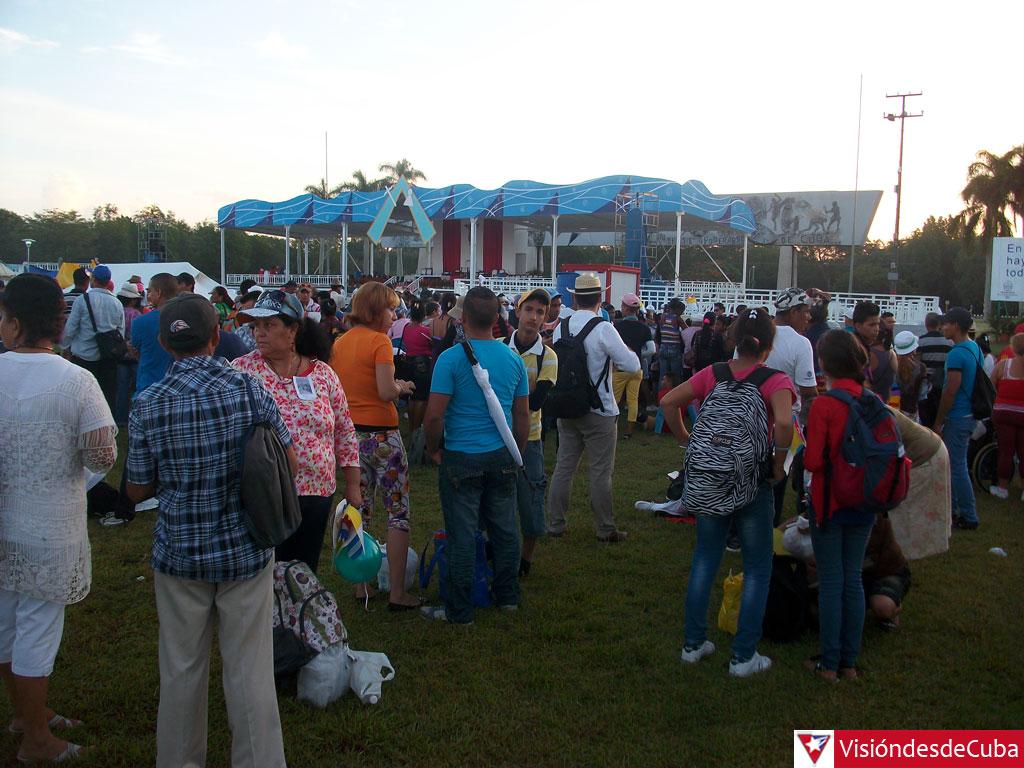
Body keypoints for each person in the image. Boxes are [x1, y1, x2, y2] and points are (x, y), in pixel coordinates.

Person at [125, 294, 289, 768]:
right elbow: (287, 458)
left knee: (180, 670)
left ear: (163, 341)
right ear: (217, 337)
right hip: (246, 548)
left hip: (180, 552)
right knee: (250, 671)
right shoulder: (250, 389)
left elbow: (136, 488)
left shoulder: (148, 403)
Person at [0, 274, 117, 763]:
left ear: (14, 323)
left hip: (7, 522)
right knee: (37, 630)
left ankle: (29, 715)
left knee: (7, 624)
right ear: (57, 323)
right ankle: (36, 740)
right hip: (50, 526)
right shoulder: (76, 381)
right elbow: (102, 454)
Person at [662, 308, 794, 677]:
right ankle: (743, 656)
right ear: (768, 345)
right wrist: (779, 460)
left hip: (708, 481)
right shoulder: (775, 380)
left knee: (705, 558)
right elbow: (783, 422)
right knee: (756, 567)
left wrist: (687, 441)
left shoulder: (714, 373)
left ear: (733, 339)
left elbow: (669, 402)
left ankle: (693, 645)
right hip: (752, 482)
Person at [233, 290, 361, 574]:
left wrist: (353, 484)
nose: (259, 333)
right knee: (265, 570)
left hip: (316, 491)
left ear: (293, 330)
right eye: (256, 326)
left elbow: (344, 430)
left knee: (304, 570)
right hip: (263, 493)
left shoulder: (322, 374)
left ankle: (299, 616)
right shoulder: (240, 373)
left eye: (269, 325)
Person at [422, 287, 529, 623]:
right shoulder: (513, 360)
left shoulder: (450, 359)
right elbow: (522, 415)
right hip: (501, 454)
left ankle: (460, 610)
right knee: (505, 529)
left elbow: (435, 415)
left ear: (462, 319)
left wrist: (431, 448)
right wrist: (517, 452)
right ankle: (507, 596)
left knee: (462, 535)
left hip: (461, 456)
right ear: (498, 319)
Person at [329, 283, 421, 608]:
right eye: (391, 309)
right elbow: (384, 391)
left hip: (352, 438)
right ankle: (397, 592)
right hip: (383, 436)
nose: (395, 315)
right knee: (397, 512)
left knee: (359, 509)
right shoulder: (380, 341)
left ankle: (361, 585)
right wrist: (403, 386)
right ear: (374, 310)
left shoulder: (340, 343)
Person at [802, 330, 878, 681]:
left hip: (829, 502)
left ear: (825, 363)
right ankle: (849, 662)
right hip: (865, 502)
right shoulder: (873, 402)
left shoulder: (825, 405)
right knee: (853, 579)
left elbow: (814, 462)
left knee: (831, 580)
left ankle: (829, 663)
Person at [547, 273, 640, 543]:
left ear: (574, 297)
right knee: (600, 472)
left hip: (566, 406)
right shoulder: (603, 328)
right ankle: (604, 528)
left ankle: (555, 524)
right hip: (600, 410)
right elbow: (632, 365)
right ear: (600, 298)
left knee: (564, 467)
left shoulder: (560, 328)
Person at [504, 288, 558, 576]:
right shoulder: (500, 347)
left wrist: (509, 393)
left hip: (532, 440)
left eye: (540, 312)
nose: (534, 317)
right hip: (499, 438)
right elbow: (532, 397)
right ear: (517, 311)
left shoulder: (548, 356)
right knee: (498, 500)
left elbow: (538, 403)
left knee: (531, 498)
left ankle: (525, 559)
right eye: (529, 310)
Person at [767, 288, 819, 524]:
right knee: (778, 474)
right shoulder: (801, 343)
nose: (809, 318)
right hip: (785, 421)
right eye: (806, 312)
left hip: (749, 416)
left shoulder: (756, 335)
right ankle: (769, 528)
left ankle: (738, 532)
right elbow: (808, 392)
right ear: (794, 312)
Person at [932, 307, 981, 530]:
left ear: (957, 326)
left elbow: (951, 389)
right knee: (956, 464)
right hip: (969, 412)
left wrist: (939, 420)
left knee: (957, 467)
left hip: (958, 415)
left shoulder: (957, 354)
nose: (943, 327)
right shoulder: (974, 348)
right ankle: (952, 511)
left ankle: (969, 516)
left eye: (946, 324)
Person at [62, 264, 124, 412]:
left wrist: (65, 347)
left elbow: (70, 329)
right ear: (108, 280)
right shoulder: (117, 302)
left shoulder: (82, 300)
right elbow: (120, 332)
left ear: (93, 280)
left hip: (83, 356)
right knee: (106, 398)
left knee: (81, 398)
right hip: (108, 357)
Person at [613, 293, 654, 438]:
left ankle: (613, 429)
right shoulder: (644, 328)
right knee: (632, 400)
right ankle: (629, 431)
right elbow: (652, 350)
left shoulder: (617, 326)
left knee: (615, 401)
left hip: (620, 369)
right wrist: (637, 354)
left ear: (625, 307)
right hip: (637, 369)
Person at [989, 332, 1024, 501]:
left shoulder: (1004, 365)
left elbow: (991, 384)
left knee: (1006, 451)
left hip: (1003, 413)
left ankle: (1002, 488)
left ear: (1014, 348)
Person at [130, 272, 178, 396]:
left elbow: (136, 351)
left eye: (150, 291)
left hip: (148, 389)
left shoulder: (140, 322)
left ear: (159, 292)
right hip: (179, 389)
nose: (148, 296)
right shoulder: (188, 319)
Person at [400, 301, 436, 437]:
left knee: (412, 398)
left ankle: (411, 428)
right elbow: (432, 346)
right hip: (422, 366)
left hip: (408, 363)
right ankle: (416, 429)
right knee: (421, 398)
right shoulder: (425, 331)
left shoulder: (406, 328)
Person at [851, 301, 896, 402]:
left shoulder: (866, 347)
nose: (877, 329)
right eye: (871, 325)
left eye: (878, 324)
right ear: (858, 326)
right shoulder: (853, 349)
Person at [917, 312, 953, 428]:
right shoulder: (949, 342)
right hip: (943, 384)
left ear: (926, 324)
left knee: (925, 417)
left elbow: (918, 365)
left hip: (926, 385)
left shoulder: (920, 341)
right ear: (939, 324)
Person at [115, 281, 143, 424]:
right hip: (134, 356)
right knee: (138, 388)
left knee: (121, 389)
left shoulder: (117, 311)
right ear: (133, 299)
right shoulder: (137, 315)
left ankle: (120, 419)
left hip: (119, 355)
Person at [893, 331, 926, 420]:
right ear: (914, 349)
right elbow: (922, 395)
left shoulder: (892, 366)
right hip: (912, 413)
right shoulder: (921, 368)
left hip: (895, 411)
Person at [656, 299, 685, 388]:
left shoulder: (663, 317)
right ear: (677, 309)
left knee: (663, 376)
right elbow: (687, 330)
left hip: (663, 348)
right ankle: (675, 398)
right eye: (682, 311)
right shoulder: (677, 318)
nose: (682, 313)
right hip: (674, 349)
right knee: (675, 377)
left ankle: (661, 397)